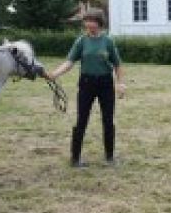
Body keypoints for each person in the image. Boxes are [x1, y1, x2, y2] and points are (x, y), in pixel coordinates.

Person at [46, 9, 125, 167]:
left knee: (108, 121)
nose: (89, 24)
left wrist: (120, 83)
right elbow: (69, 62)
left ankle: (110, 157)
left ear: (100, 23)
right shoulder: (81, 41)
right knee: (81, 120)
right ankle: (75, 158)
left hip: (105, 84)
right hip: (86, 84)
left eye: (92, 21)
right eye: (87, 21)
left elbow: (117, 64)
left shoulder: (108, 41)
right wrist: (54, 74)